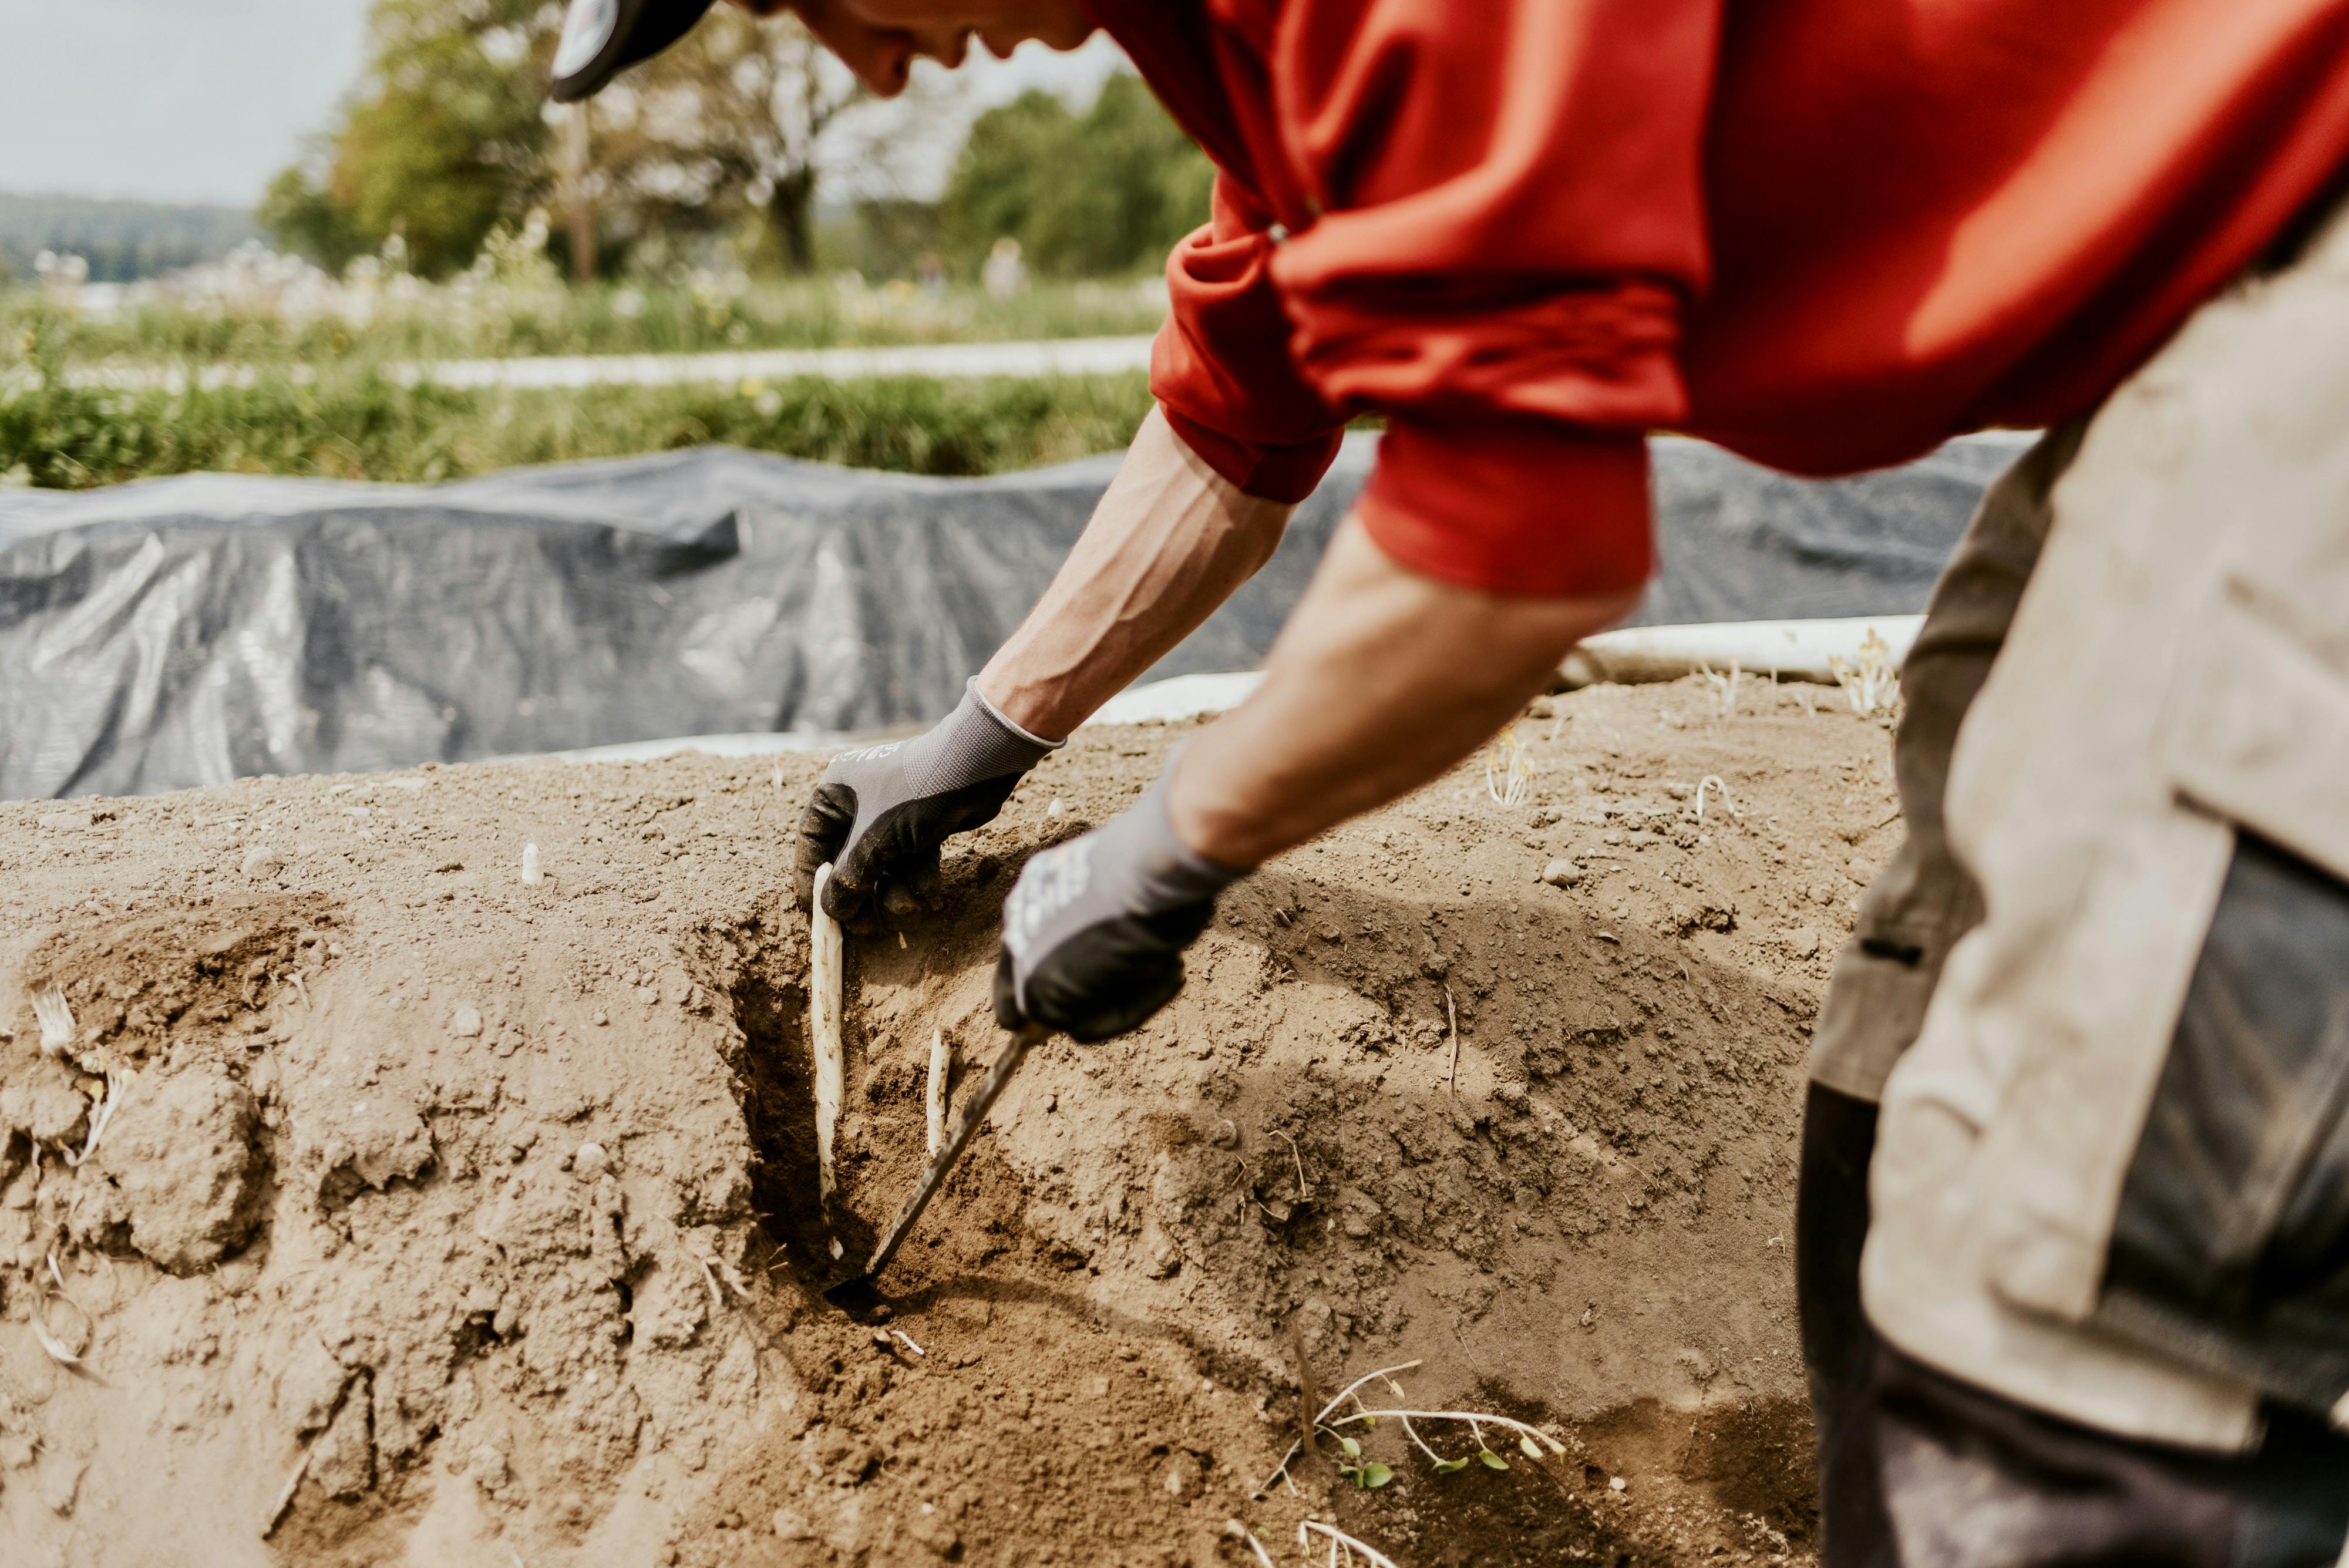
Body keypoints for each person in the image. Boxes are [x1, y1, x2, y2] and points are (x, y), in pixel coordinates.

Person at [550, 2, 2349, 1560]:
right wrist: (990, 736)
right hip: (2228, 321)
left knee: (2071, 1251)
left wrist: (1174, 847)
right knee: (1903, 1100)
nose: (861, 72)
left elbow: (1518, 554)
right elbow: (1248, 399)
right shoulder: (1241, 50)